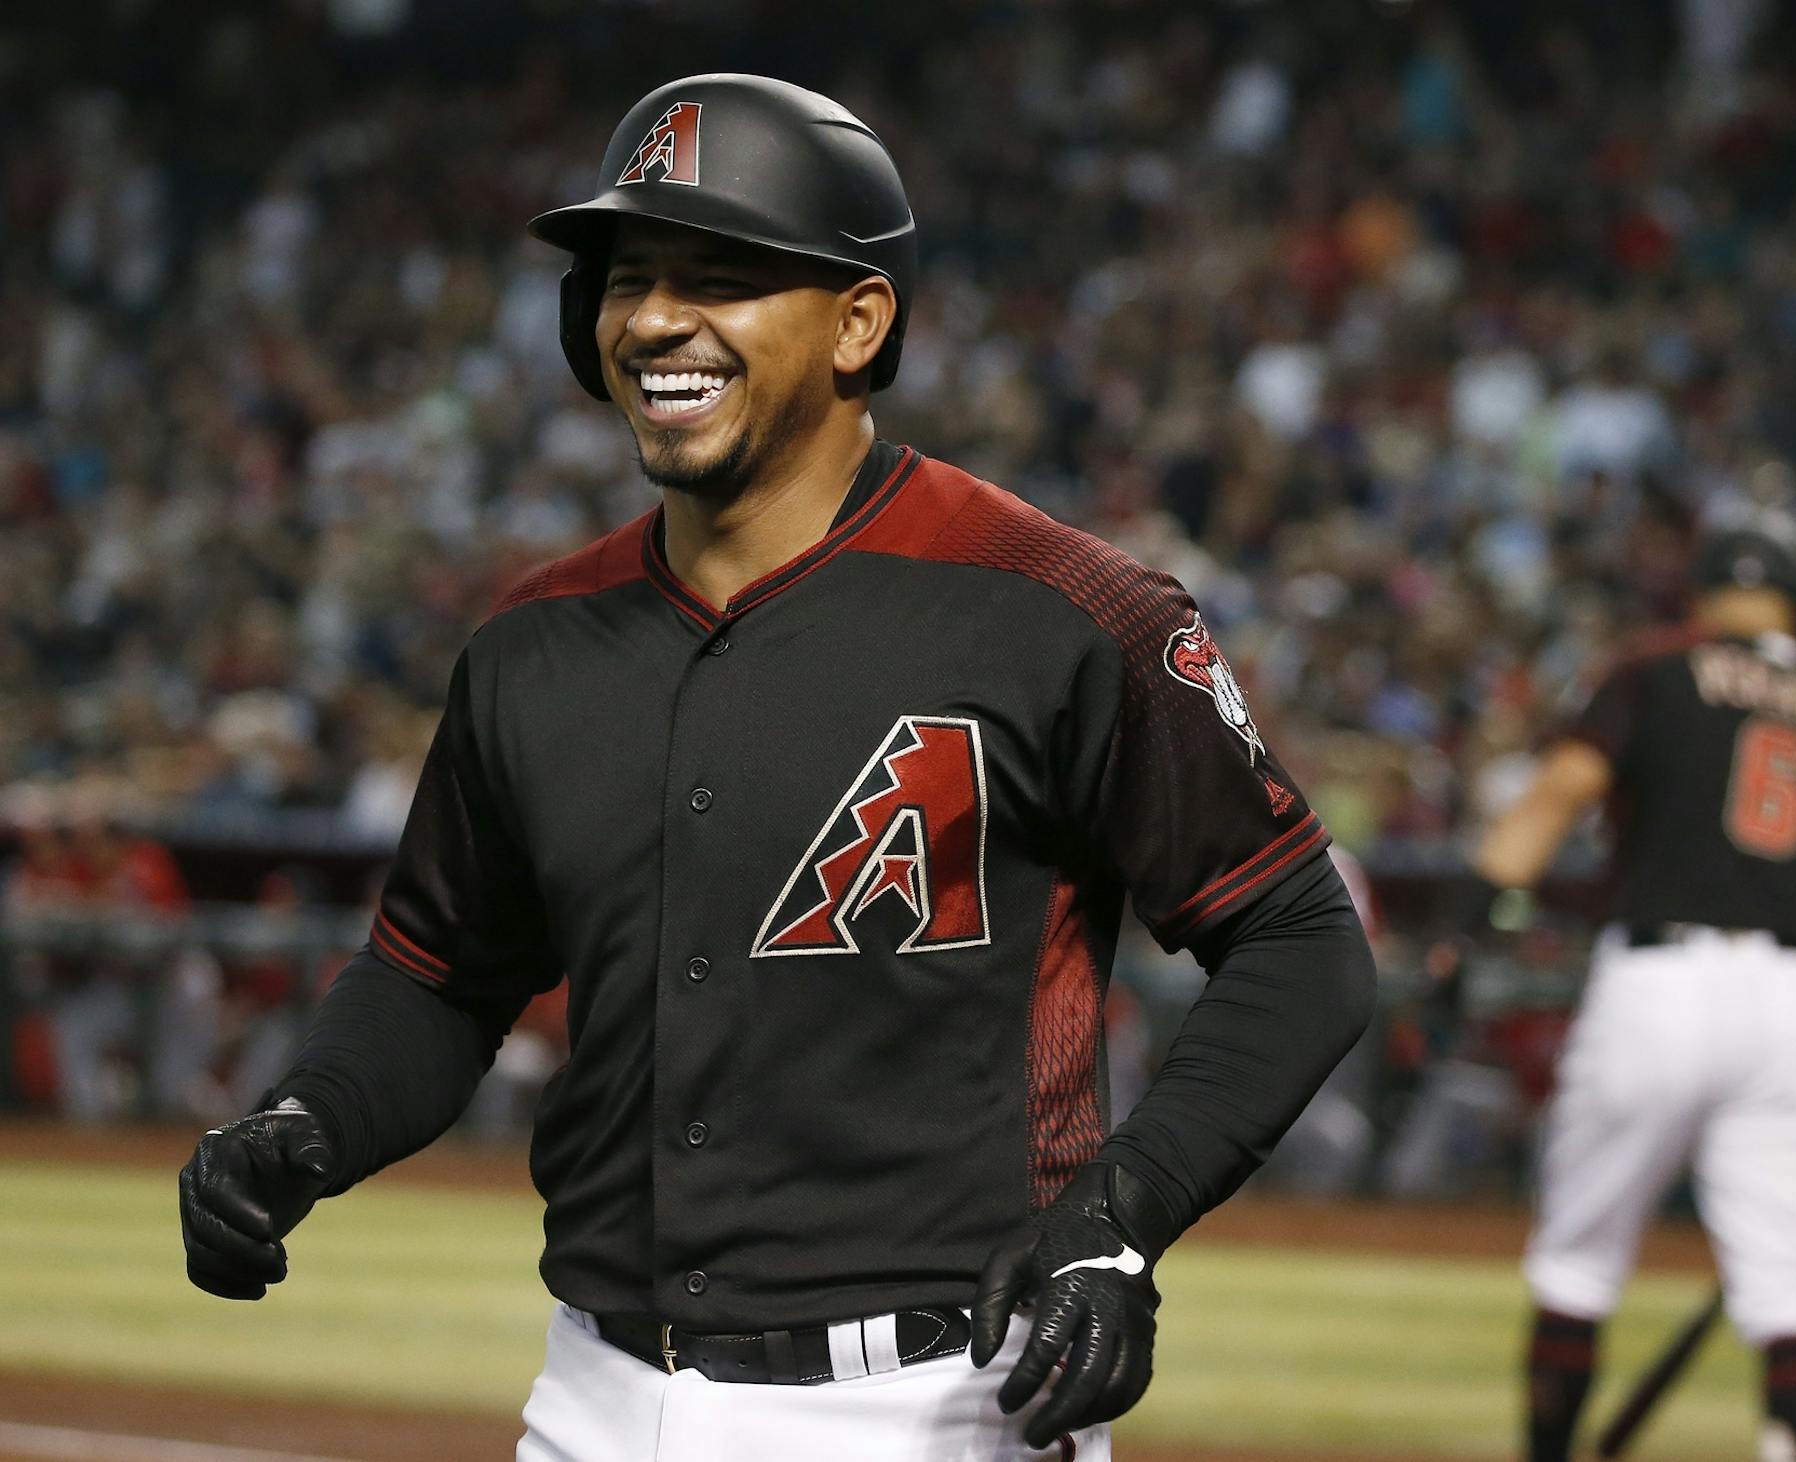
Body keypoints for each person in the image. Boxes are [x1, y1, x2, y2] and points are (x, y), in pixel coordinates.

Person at [175, 74, 1374, 1462]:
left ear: (861, 320)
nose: (656, 319)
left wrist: (1120, 1217)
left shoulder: (1060, 607)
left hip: (934, 1404)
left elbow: (1298, 939)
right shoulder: (532, 644)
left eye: (722, 276)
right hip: (593, 1395)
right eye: (630, 277)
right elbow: (437, 972)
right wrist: (303, 1113)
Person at [1472, 529, 1796, 1462]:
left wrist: (1483, 898)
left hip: (1662, 982)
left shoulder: (1659, 669)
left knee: (1579, 1263)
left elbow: (1563, 790)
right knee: (1789, 1292)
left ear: (1702, 602)